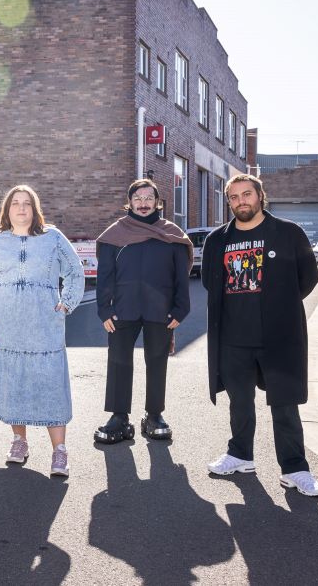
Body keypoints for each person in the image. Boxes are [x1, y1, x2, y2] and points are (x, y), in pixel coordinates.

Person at [202, 174, 318, 497]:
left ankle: (295, 469)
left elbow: (308, 277)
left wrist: (277, 305)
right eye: (234, 197)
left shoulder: (287, 233)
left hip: (278, 335)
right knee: (239, 402)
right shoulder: (217, 240)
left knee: (285, 404)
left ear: (260, 196)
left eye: (247, 194)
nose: (241, 201)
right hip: (233, 336)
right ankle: (240, 455)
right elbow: (209, 283)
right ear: (228, 202)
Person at [0, 185, 85, 477]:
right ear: (7, 210)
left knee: (50, 385)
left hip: (43, 327)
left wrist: (66, 304)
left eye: (26, 204)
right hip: (3, 327)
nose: (20, 209)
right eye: (15, 204)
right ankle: (20, 440)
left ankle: (59, 452)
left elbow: (75, 271)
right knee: (12, 383)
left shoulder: (52, 238)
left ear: (35, 209)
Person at [94, 179, 192, 444]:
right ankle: (119, 418)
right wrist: (104, 310)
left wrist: (180, 310)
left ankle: (154, 415)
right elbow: (105, 276)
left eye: (149, 198)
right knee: (119, 362)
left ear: (158, 202)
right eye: (138, 198)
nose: (144, 203)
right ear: (129, 202)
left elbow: (181, 278)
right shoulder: (116, 234)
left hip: (160, 312)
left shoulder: (171, 234)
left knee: (157, 362)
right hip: (122, 312)